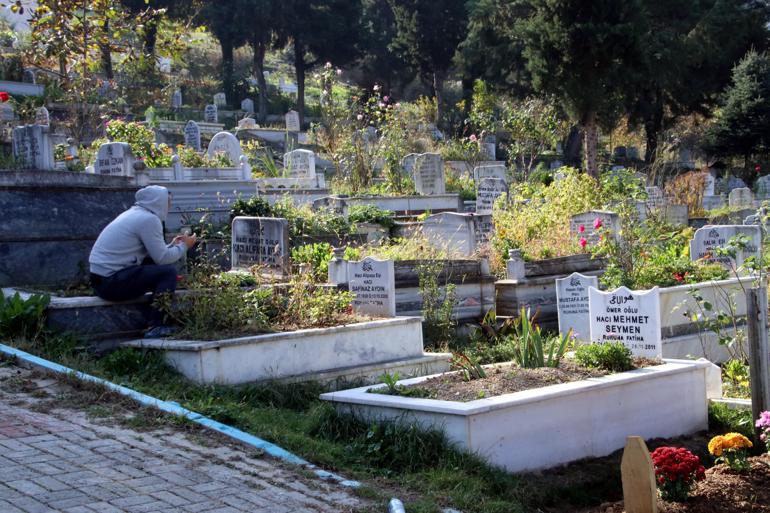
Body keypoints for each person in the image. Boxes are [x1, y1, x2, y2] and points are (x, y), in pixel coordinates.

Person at [89, 185, 196, 337]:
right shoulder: (149, 220)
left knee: (154, 266)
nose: (169, 206)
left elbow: (155, 254)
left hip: (100, 280)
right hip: (111, 283)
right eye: (168, 202)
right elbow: (163, 259)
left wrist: (173, 245)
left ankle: (155, 320)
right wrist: (185, 245)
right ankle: (155, 325)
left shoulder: (134, 214)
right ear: (158, 202)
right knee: (168, 273)